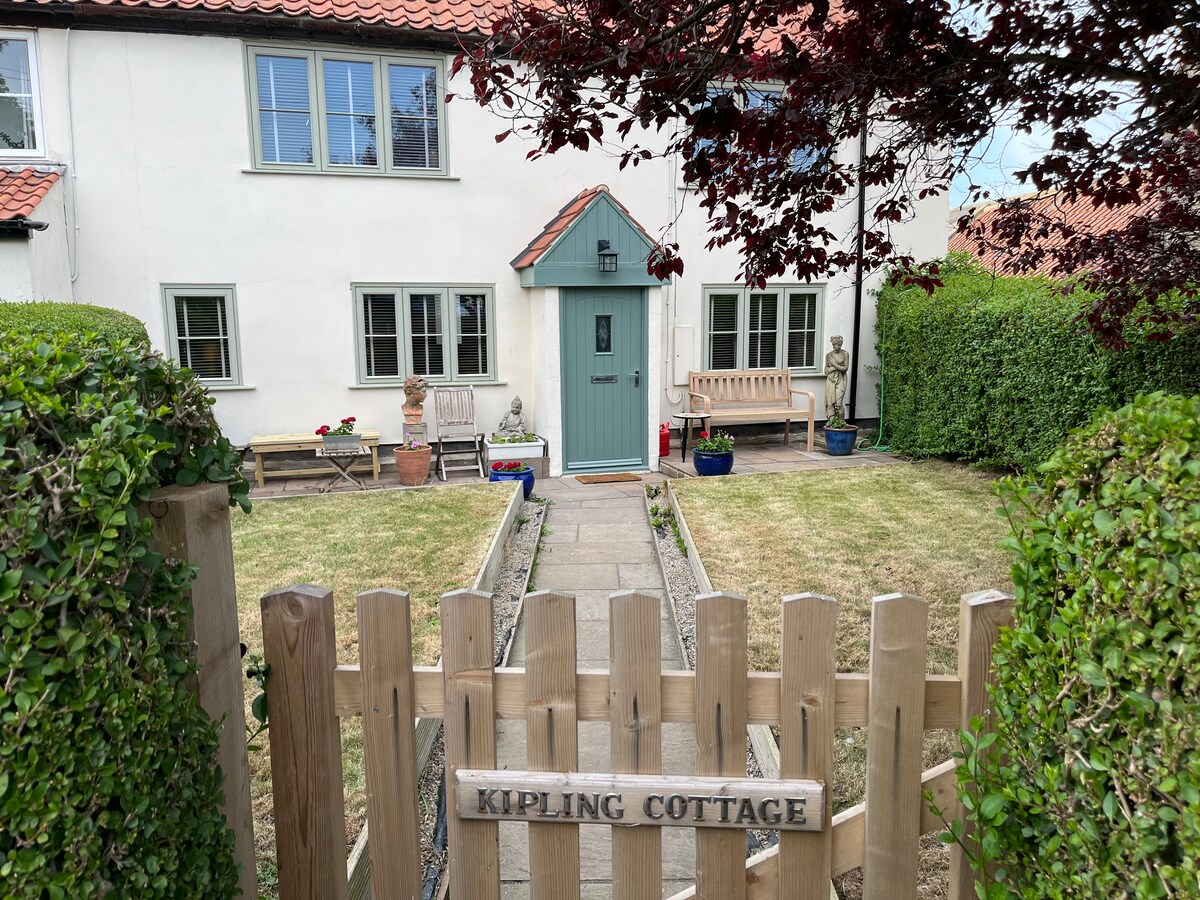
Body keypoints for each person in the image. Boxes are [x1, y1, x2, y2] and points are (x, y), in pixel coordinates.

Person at [824, 335, 849, 420]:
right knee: (830, 402)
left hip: (841, 378)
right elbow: (826, 370)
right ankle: (831, 422)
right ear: (833, 345)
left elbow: (845, 369)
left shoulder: (845, 354)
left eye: (840, 345)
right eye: (838, 345)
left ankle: (841, 423)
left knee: (838, 403)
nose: (839, 347)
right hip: (831, 379)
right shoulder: (829, 355)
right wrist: (836, 367)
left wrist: (834, 365)